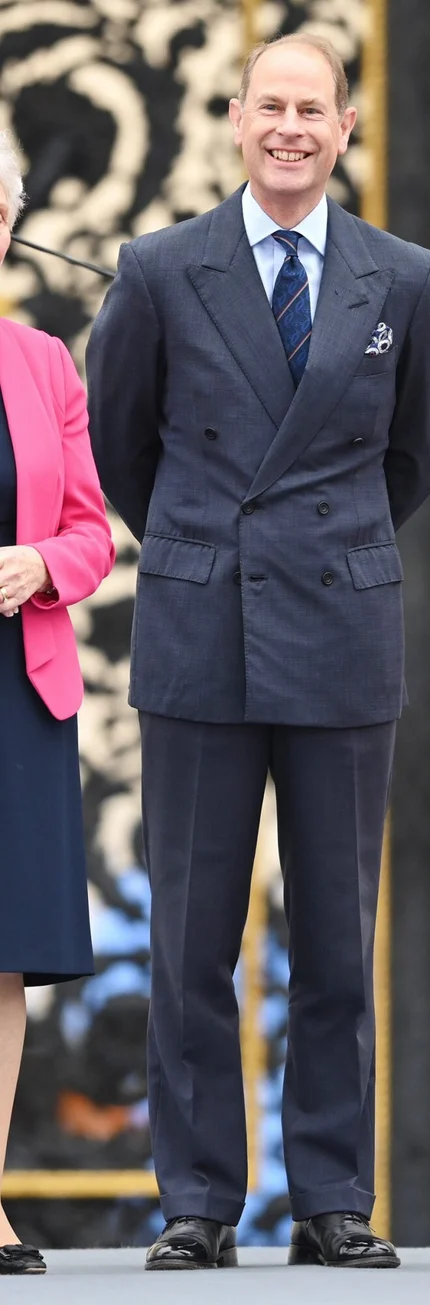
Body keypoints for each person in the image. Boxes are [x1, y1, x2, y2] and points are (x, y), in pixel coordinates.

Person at [86, 33, 430, 1269]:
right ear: (237, 119)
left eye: (314, 110)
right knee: (191, 939)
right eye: (272, 107)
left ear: (345, 129)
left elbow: (414, 456)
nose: (292, 128)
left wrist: (324, 541)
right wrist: (205, 544)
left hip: (341, 628)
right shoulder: (158, 268)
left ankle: (331, 1200)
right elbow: (123, 446)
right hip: (201, 629)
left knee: (337, 942)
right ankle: (196, 1203)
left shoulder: (402, 278)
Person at [0, 129, 115, 1275]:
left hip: (16, 690)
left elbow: (92, 529)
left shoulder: (42, 361)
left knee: (1, 957)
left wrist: (42, 563)